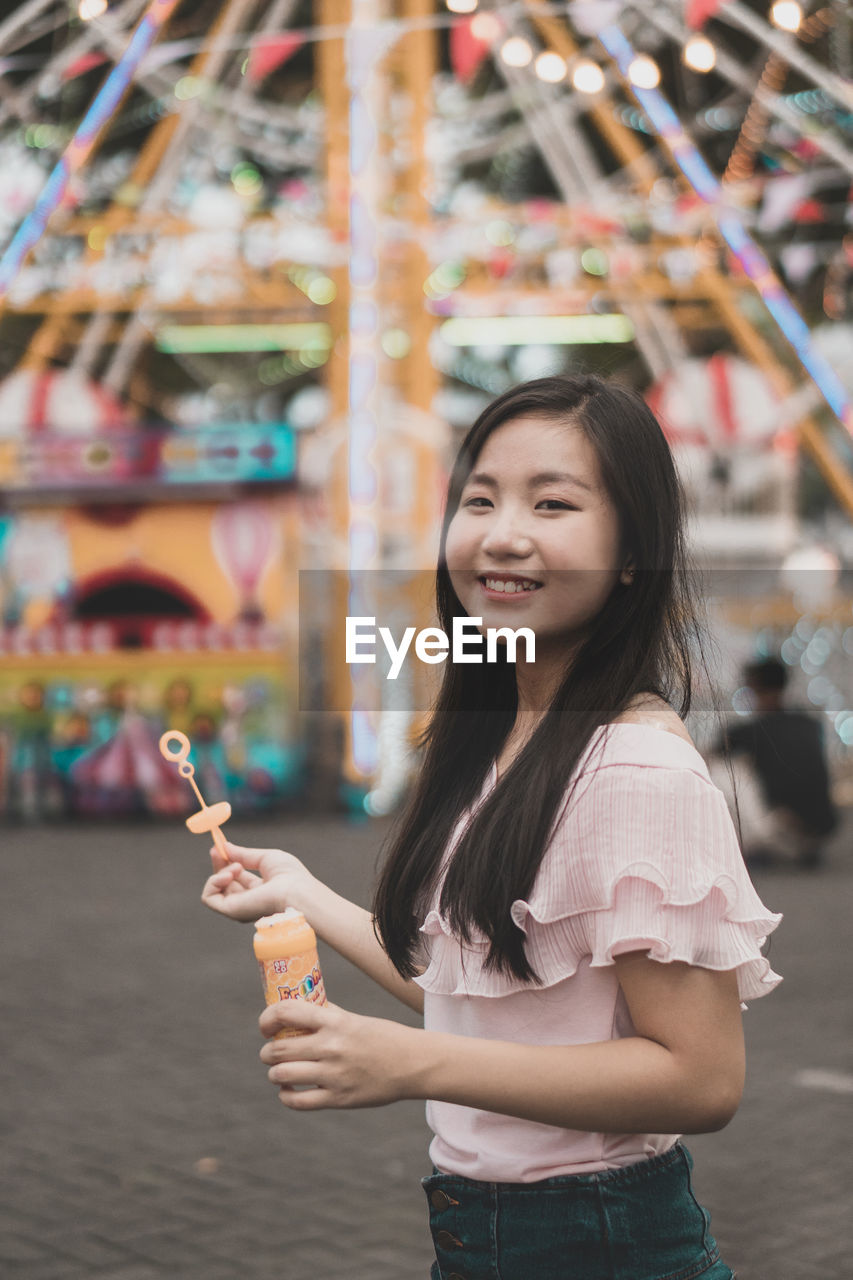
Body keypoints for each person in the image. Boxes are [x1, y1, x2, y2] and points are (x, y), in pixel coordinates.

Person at [201, 374, 782, 1280]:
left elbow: (699, 1079)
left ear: (633, 552)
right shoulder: (496, 741)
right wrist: (302, 894)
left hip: (600, 1242)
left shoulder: (635, 768)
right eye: (480, 498)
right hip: (486, 1235)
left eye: (552, 503)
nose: (502, 532)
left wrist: (414, 1064)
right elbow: (480, 992)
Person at [711, 656, 837, 868]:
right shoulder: (809, 723)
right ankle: (796, 843)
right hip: (824, 826)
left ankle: (753, 844)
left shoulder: (749, 731)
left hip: (782, 825)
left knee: (723, 769)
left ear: (753, 686)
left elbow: (711, 755)